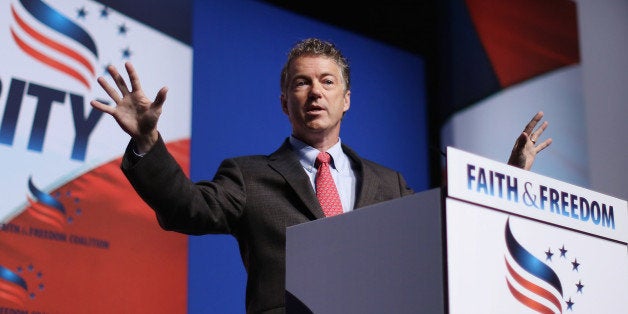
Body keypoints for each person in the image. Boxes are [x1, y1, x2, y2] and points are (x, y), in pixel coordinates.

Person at [90, 38, 551, 313]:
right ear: (284, 102)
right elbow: (184, 208)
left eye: (327, 82)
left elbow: (445, 236)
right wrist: (147, 143)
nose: (315, 92)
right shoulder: (249, 176)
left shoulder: (389, 184)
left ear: (346, 99)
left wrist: (506, 182)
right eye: (301, 82)